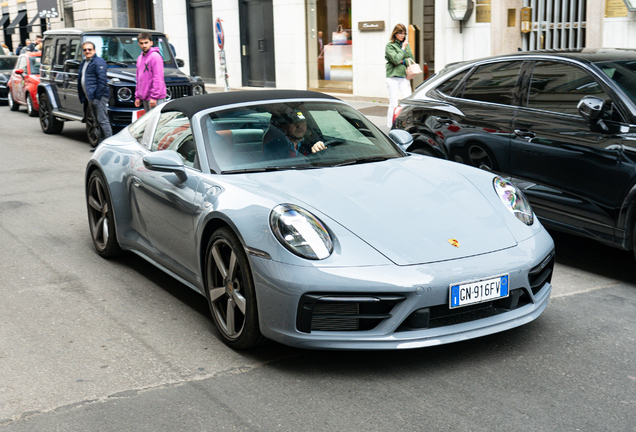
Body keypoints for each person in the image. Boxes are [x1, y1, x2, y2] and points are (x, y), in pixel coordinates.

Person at [78, 41, 112, 145]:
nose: (87, 51)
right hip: (91, 97)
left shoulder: (98, 62)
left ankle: (110, 145)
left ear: (94, 50)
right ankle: (101, 145)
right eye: (85, 50)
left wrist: (97, 98)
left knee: (103, 121)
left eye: (89, 49)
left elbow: (102, 80)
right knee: (97, 122)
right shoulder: (84, 62)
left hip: (99, 97)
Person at [385, 23, 414, 128]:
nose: (402, 35)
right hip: (392, 77)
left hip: (404, 77)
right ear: (395, 33)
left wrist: (402, 61)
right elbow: (395, 59)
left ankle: (405, 123)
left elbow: (411, 59)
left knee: (408, 100)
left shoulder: (407, 44)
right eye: (400, 33)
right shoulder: (390, 45)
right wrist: (403, 49)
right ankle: (390, 126)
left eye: (404, 33)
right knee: (393, 102)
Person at [134, 32, 166, 112]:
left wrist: (154, 97)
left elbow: (158, 78)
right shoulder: (139, 58)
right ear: (138, 44)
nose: (144, 45)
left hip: (155, 98)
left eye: (146, 43)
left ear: (151, 43)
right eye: (141, 43)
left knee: (157, 123)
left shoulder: (155, 57)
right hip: (144, 97)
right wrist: (137, 96)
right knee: (149, 123)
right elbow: (138, 79)